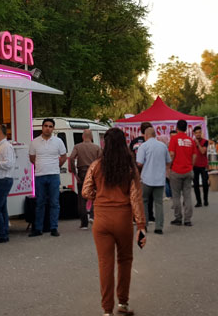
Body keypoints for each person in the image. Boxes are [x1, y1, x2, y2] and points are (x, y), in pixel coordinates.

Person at [82, 127, 146, 316]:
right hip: (123, 220)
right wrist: (141, 226)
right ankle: (123, 304)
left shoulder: (96, 165)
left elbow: (86, 191)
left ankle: (107, 310)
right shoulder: (129, 167)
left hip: (101, 221)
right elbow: (135, 198)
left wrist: (99, 197)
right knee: (125, 261)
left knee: (105, 263)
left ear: (105, 144)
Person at [28, 118, 67, 237]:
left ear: (53, 128)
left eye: (50, 126)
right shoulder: (34, 142)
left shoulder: (58, 141)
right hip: (40, 175)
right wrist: (40, 166)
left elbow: (64, 156)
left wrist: (56, 166)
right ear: (42, 127)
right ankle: (38, 228)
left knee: (54, 202)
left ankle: (53, 228)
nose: (48, 128)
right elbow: (32, 158)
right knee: (40, 202)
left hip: (54, 175)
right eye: (46, 126)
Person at [135, 126, 170, 234]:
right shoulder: (163, 146)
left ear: (145, 136)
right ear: (155, 135)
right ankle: (159, 227)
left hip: (146, 179)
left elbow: (139, 162)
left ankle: (144, 225)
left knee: (144, 201)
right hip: (159, 179)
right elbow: (168, 161)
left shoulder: (143, 146)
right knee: (159, 203)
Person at [70, 129, 103, 230]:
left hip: (82, 172)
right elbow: (101, 160)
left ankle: (84, 223)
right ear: (92, 137)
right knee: (95, 195)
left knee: (82, 197)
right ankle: (92, 215)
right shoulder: (97, 147)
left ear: (82, 137)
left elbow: (71, 158)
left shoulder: (77, 147)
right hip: (94, 173)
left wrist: (75, 173)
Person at [168, 119, 196, 226]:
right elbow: (194, 156)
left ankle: (178, 218)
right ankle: (188, 219)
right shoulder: (191, 140)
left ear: (177, 127)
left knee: (176, 196)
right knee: (187, 195)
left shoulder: (174, 139)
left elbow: (171, 154)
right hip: (188, 170)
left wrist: (169, 168)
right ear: (186, 128)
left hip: (176, 170)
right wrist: (190, 166)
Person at [129, 122, 154, 222]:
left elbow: (130, 155)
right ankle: (150, 216)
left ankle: (136, 216)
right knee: (149, 195)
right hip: (149, 171)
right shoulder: (151, 142)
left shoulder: (134, 141)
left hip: (136, 171)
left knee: (137, 195)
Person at [192, 126, 209, 207]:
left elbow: (203, 151)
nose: (198, 134)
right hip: (195, 165)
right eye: (196, 133)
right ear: (194, 134)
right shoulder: (191, 142)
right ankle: (198, 201)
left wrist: (198, 144)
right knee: (195, 184)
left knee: (205, 183)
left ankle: (205, 200)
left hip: (203, 165)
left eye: (199, 132)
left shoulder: (205, 141)